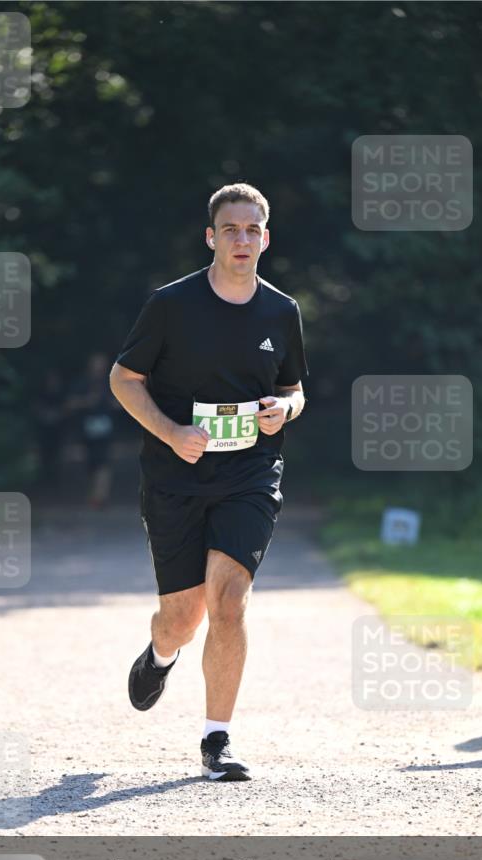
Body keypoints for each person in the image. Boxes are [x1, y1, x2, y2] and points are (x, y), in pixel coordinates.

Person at [109, 183, 307, 781]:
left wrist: (285, 410)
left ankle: (216, 739)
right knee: (183, 615)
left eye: (252, 230)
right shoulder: (172, 305)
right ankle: (161, 652)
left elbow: (296, 389)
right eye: (231, 230)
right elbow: (124, 379)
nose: (242, 240)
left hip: (250, 471)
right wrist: (171, 433)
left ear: (265, 239)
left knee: (228, 601)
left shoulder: (282, 310)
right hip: (176, 473)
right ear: (211, 238)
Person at [67, 353, 116, 508]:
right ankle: (94, 494)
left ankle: (100, 497)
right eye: (96, 364)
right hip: (87, 428)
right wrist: (86, 402)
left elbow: (119, 402)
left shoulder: (111, 382)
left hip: (106, 428)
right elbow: (70, 403)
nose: (99, 368)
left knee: (104, 462)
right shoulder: (82, 383)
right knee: (92, 463)